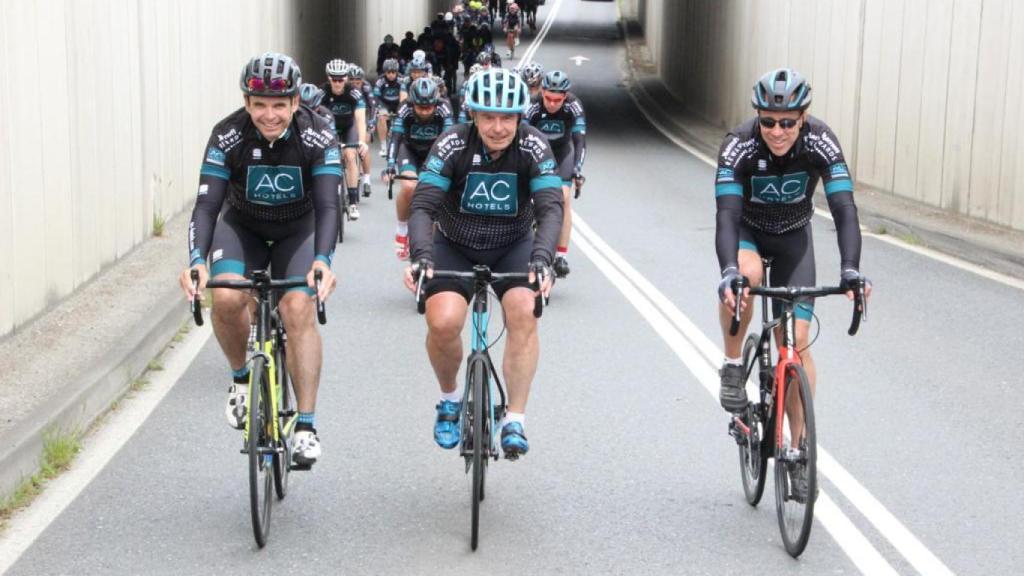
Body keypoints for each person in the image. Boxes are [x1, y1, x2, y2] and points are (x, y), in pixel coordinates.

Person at [714, 68, 872, 498]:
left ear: (803, 118)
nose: (777, 131)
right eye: (768, 121)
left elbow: (844, 209)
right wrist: (728, 269)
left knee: (797, 346)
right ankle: (732, 366)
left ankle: (800, 451)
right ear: (757, 119)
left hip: (794, 240)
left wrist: (851, 269)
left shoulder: (822, 142)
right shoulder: (738, 145)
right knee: (747, 278)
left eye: (787, 122)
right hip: (748, 232)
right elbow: (726, 215)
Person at [178, 52, 341, 467]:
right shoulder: (227, 135)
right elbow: (205, 206)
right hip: (243, 228)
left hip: (297, 230)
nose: (269, 115)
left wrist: (322, 259)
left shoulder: (318, 135)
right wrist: (197, 260)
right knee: (229, 297)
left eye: (279, 105)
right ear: (247, 103)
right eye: (259, 105)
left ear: (295, 103)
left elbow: (327, 207)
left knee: (297, 307)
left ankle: (305, 425)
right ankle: (240, 379)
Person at [404, 68, 563, 458]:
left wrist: (543, 259)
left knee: (525, 311)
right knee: (442, 322)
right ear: (472, 115)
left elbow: (550, 207)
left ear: (519, 117)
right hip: (455, 244)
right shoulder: (452, 144)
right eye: (488, 117)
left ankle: (515, 419)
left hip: (513, 243)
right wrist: (421, 256)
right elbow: (423, 206)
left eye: (507, 117)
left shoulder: (534, 146)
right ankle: (450, 399)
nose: (497, 127)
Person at [524, 70, 586, 278]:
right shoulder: (532, 105)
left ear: (565, 96)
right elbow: (519, 138)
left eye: (557, 100)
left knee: (564, 198)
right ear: (542, 92)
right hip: (536, 156)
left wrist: (578, 169)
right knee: (528, 197)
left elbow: (579, 141)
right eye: (548, 98)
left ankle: (561, 255)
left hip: (561, 155)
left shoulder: (573, 105)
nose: (551, 104)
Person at [387, 77, 453, 260]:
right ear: (412, 103)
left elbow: (451, 139)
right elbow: (396, 138)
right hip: (410, 150)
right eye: (420, 107)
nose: (424, 112)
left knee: (435, 194)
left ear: (435, 103)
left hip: (435, 152)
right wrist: (390, 165)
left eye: (429, 107)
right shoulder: (404, 108)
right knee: (409, 186)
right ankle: (402, 230)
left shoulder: (444, 107)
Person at [321, 60, 368, 220]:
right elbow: (314, 118)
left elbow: (361, 120)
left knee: (349, 156)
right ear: (329, 78)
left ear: (346, 79)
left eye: (341, 79)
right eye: (334, 79)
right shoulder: (322, 93)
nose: (337, 83)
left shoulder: (354, 92)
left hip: (348, 127)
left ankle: (353, 202)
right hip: (328, 129)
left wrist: (362, 142)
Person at [348, 64, 376, 198]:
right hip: (346, 117)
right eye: (351, 81)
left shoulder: (366, 87)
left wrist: (371, 124)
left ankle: (366, 179)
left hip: (361, 115)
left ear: (362, 81)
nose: (354, 84)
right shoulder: (344, 89)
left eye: (357, 82)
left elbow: (372, 106)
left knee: (363, 144)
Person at [374, 58, 404, 157]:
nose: (391, 74)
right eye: (388, 72)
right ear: (385, 72)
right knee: (381, 117)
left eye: (393, 72)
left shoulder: (402, 80)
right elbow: (376, 97)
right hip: (385, 103)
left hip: (397, 103)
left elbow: (405, 97)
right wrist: (378, 109)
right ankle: (383, 146)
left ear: (397, 72)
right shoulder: (380, 80)